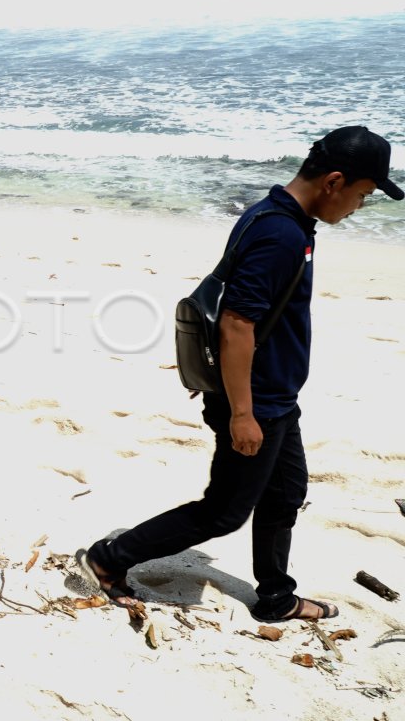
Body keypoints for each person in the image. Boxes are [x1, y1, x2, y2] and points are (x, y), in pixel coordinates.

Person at [79, 125, 403, 622]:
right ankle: (109, 559)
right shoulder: (280, 233)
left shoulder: (279, 217)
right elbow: (235, 324)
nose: (359, 207)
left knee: (286, 491)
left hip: (275, 395)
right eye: (362, 195)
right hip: (253, 401)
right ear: (334, 181)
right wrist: (243, 415)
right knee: (223, 512)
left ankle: (276, 596)